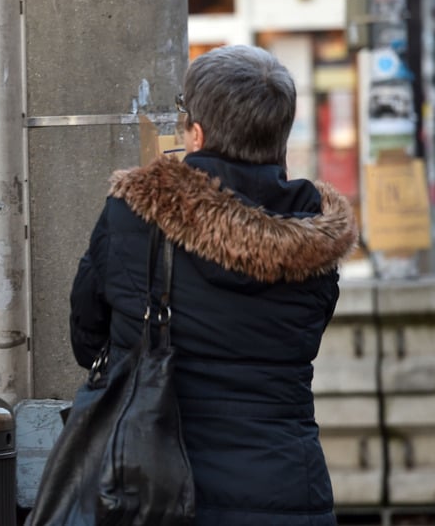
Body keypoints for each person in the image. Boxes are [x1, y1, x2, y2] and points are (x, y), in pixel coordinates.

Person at [69, 45, 357, 526]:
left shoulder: (136, 216)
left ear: (197, 134)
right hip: (288, 490)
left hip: (153, 488)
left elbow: (86, 338)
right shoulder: (317, 239)